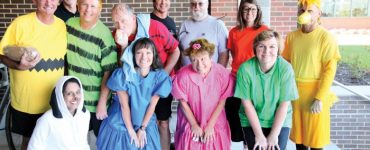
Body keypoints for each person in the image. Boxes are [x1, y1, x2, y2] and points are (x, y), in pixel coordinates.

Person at [111, 4, 180, 150]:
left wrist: (161, 78)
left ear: (133, 18)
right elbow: (122, 68)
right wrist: (123, 46)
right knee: (134, 121)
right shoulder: (117, 35)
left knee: (162, 122)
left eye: (123, 21)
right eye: (116, 22)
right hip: (135, 86)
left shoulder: (155, 27)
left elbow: (175, 51)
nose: (120, 26)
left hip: (156, 81)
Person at [0, 0, 66, 149]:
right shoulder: (20, 23)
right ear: (34, 1)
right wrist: (18, 65)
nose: (49, 2)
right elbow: (2, 54)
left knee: (53, 142)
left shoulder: (62, 25)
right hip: (27, 101)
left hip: (54, 100)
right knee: (30, 143)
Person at [282, 0, 341, 149]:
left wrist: (319, 98)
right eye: (302, 11)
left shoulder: (326, 37)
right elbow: (286, 65)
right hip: (295, 94)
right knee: (299, 142)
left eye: (310, 11)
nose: (305, 14)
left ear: (319, 14)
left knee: (316, 141)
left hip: (315, 95)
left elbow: (330, 70)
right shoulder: (291, 37)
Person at [97, 38, 172, 150]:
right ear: (133, 55)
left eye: (148, 52)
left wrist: (142, 129)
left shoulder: (159, 77)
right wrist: (131, 130)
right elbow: (124, 106)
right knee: (128, 142)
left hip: (145, 118)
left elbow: (152, 106)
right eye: (139, 53)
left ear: (154, 54)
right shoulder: (123, 75)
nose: (144, 57)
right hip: (122, 119)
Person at [234, 30, 299, 150]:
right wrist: (259, 135)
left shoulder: (285, 69)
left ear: (278, 49)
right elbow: (247, 105)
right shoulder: (245, 69)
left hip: (279, 119)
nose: (266, 51)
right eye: (261, 46)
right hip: (251, 119)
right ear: (255, 48)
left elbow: (284, 105)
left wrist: (274, 135)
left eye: (272, 47)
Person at [66, 0, 117, 136]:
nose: (88, 9)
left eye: (93, 6)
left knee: (101, 141)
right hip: (74, 99)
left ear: (100, 9)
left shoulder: (105, 35)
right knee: (76, 140)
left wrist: (102, 101)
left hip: (96, 101)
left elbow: (109, 71)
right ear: (78, 5)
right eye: (84, 4)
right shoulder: (69, 25)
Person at [172, 38, 234, 150]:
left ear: (210, 57)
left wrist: (210, 126)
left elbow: (221, 102)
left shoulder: (221, 73)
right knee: (191, 138)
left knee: (214, 138)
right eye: (194, 60)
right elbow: (183, 104)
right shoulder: (183, 75)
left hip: (214, 117)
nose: (199, 64)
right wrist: (194, 125)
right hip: (190, 117)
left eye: (202, 59)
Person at [225, 0, 269, 148]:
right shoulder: (233, 32)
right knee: (238, 117)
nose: (249, 13)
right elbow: (234, 56)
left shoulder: (264, 30)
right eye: (245, 9)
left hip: (256, 80)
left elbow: (268, 56)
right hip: (237, 78)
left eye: (252, 9)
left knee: (254, 118)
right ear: (240, 11)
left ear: (258, 12)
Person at [28, 76, 90, 150]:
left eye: (77, 92)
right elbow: (33, 147)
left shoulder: (85, 115)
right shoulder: (47, 120)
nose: (75, 97)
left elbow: (83, 144)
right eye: (69, 93)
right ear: (61, 95)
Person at [178, 0, 229, 67]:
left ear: (207, 5)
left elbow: (224, 53)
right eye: (193, 4)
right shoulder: (183, 25)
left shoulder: (218, 25)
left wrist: (218, 73)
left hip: (211, 75)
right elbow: (178, 52)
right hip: (186, 75)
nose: (196, 7)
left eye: (200, 4)